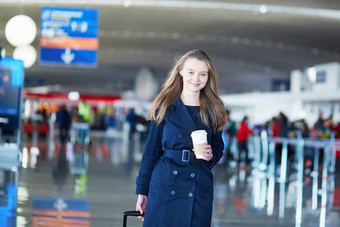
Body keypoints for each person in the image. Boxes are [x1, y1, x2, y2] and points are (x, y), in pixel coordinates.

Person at [135, 49, 226, 226]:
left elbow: (218, 146)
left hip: (199, 182)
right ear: (180, 71)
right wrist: (142, 191)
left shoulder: (214, 108)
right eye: (191, 72)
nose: (196, 79)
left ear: (209, 77)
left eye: (202, 74)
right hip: (166, 181)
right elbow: (151, 152)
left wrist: (211, 155)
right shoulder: (165, 105)